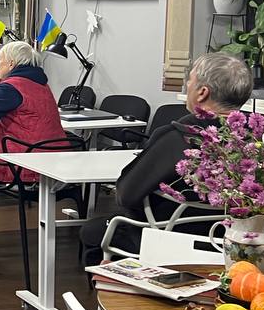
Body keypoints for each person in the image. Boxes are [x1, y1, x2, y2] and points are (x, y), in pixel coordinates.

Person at [79, 52, 253, 264]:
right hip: (237, 244)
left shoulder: (176, 138)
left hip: (168, 239)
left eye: (190, 80)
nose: (187, 85)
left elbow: (126, 195)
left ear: (202, 92)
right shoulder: (261, 140)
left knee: (92, 230)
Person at [0, 40, 66, 267]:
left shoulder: (11, 87)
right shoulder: (41, 84)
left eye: (0, 61)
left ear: (12, 64)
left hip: (24, 166)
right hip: (51, 161)